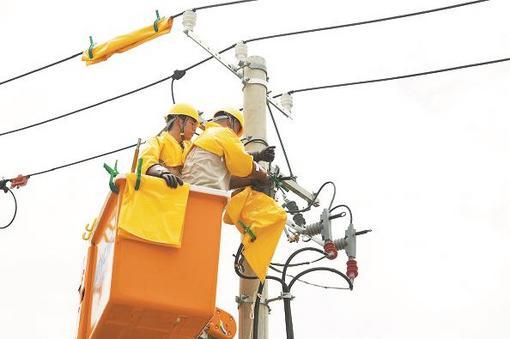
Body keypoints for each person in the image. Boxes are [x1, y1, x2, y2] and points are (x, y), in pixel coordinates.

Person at [182, 108, 287, 281]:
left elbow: (225, 179)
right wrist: (263, 176)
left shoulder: (205, 138)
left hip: (194, 197)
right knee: (201, 249)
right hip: (205, 198)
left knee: (195, 246)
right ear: (231, 121)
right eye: (237, 130)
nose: (235, 134)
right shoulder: (223, 133)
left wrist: (250, 179)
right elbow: (243, 165)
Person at [139, 103, 200, 188]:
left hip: (182, 196)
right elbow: (146, 161)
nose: (195, 129)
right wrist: (162, 171)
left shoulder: (190, 147)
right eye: (192, 124)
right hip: (160, 194)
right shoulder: (157, 141)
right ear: (180, 121)